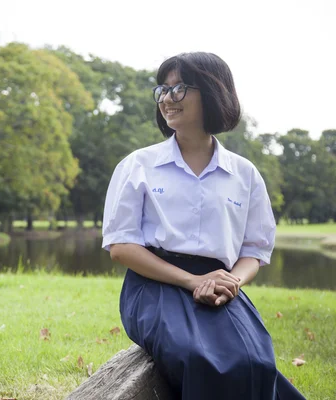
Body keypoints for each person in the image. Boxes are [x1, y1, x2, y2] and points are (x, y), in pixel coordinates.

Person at [101, 52, 306, 400]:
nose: (167, 98)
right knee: (199, 359)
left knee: (256, 361)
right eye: (163, 90)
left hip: (222, 285)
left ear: (213, 92)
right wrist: (191, 280)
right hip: (154, 285)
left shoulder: (244, 174)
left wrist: (231, 282)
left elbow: (254, 250)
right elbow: (121, 247)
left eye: (179, 88)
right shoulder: (139, 165)